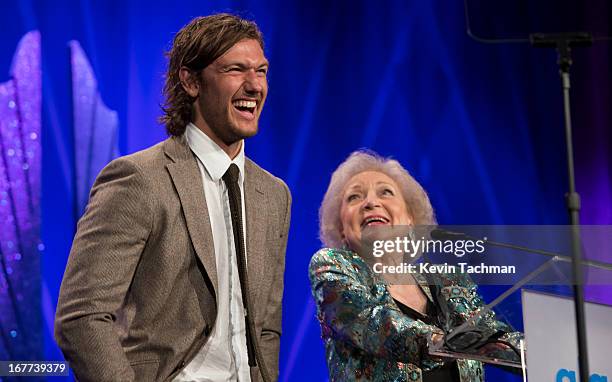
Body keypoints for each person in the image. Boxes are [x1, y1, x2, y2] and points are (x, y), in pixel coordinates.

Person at [55, 14, 291, 382]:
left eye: (261, 71)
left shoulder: (274, 195)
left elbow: (266, 328)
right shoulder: (139, 179)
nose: (254, 86)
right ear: (191, 81)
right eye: (235, 70)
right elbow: (82, 316)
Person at [309, 151, 520, 381]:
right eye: (354, 197)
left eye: (385, 192)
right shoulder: (332, 266)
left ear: (411, 219)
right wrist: (447, 341)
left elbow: (495, 337)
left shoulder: (449, 282)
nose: (371, 202)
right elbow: (374, 326)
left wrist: (542, 352)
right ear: (341, 227)